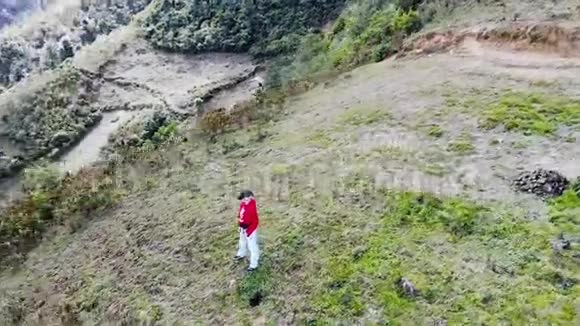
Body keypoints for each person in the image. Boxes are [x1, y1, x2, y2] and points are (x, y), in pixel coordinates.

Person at [235, 190, 260, 271]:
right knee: (242, 242)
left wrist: (250, 231)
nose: (244, 201)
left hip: (250, 228)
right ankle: (241, 254)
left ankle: (254, 265)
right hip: (243, 228)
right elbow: (240, 215)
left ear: (251, 197)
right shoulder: (243, 204)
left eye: (246, 199)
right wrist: (240, 224)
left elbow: (255, 221)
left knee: (252, 246)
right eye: (243, 200)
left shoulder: (252, 206)